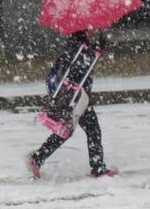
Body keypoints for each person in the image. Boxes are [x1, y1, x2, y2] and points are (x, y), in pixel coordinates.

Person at [26, 28, 117, 179]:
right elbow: (78, 69)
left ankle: (38, 157)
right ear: (83, 30)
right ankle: (97, 168)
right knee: (90, 130)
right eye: (91, 28)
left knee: (70, 130)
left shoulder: (79, 44)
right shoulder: (77, 46)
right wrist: (95, 50)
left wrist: (98, 47)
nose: (93, 30)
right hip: (75, 97)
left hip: (76, 96)